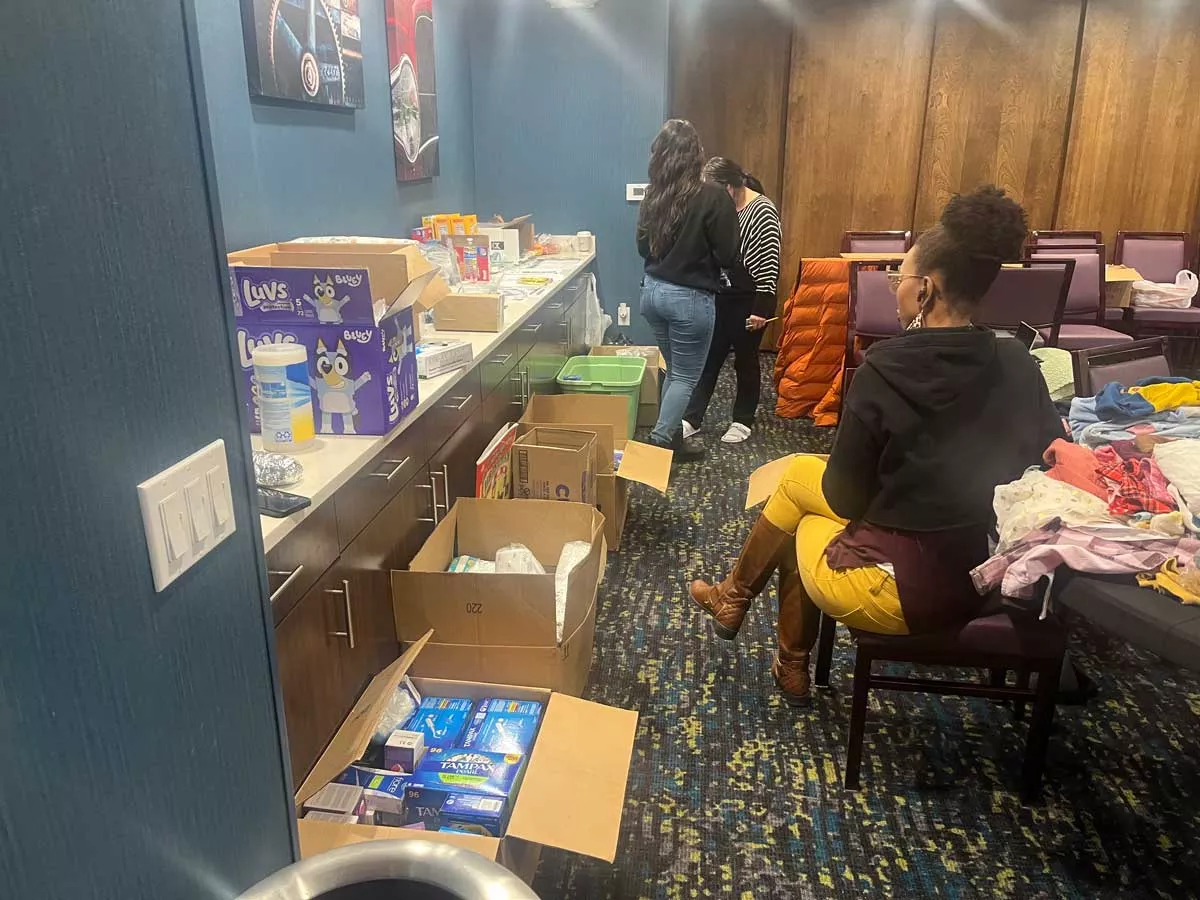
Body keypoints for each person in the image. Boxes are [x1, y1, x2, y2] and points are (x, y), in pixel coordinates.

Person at [689, 186, 1065, 707]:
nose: (893, 288)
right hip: (983, 575)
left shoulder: (884, 370)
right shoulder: (1020, 363)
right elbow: (1046, 460)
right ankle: (760, 629)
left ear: (926, 291)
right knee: (801, 475)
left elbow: (845, 499)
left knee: (800, 504)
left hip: (900, 592)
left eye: (900, 277)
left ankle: (758, 622)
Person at [637, 120, 741, 462]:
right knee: (684, 375)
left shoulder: (653, 195)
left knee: (675, 370)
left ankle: (673, 439)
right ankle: (659, 443)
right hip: (689, 300)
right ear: (696, 154)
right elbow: (729, 255)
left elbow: (643, 248)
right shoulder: (713, 196)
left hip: (652, 293)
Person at [682, 158, 782, 444]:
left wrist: (763, 309)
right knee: (709, 357)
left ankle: (743, 419)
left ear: (728, 187)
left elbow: (769, 263)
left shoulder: (762, 210)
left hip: (749, 297)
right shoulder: (720, 207)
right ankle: (692, 417)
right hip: (719, 294)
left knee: (746, 360)